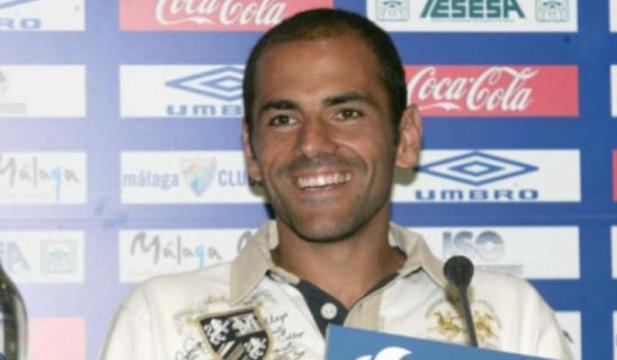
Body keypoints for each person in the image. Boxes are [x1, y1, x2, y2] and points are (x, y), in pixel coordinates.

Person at [101, 8, 573, 360]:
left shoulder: (504, 316)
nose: (312, 144)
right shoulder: (162, 318)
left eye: (346, 113)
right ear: (251, 150)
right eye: (284, 118)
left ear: (405, 137)